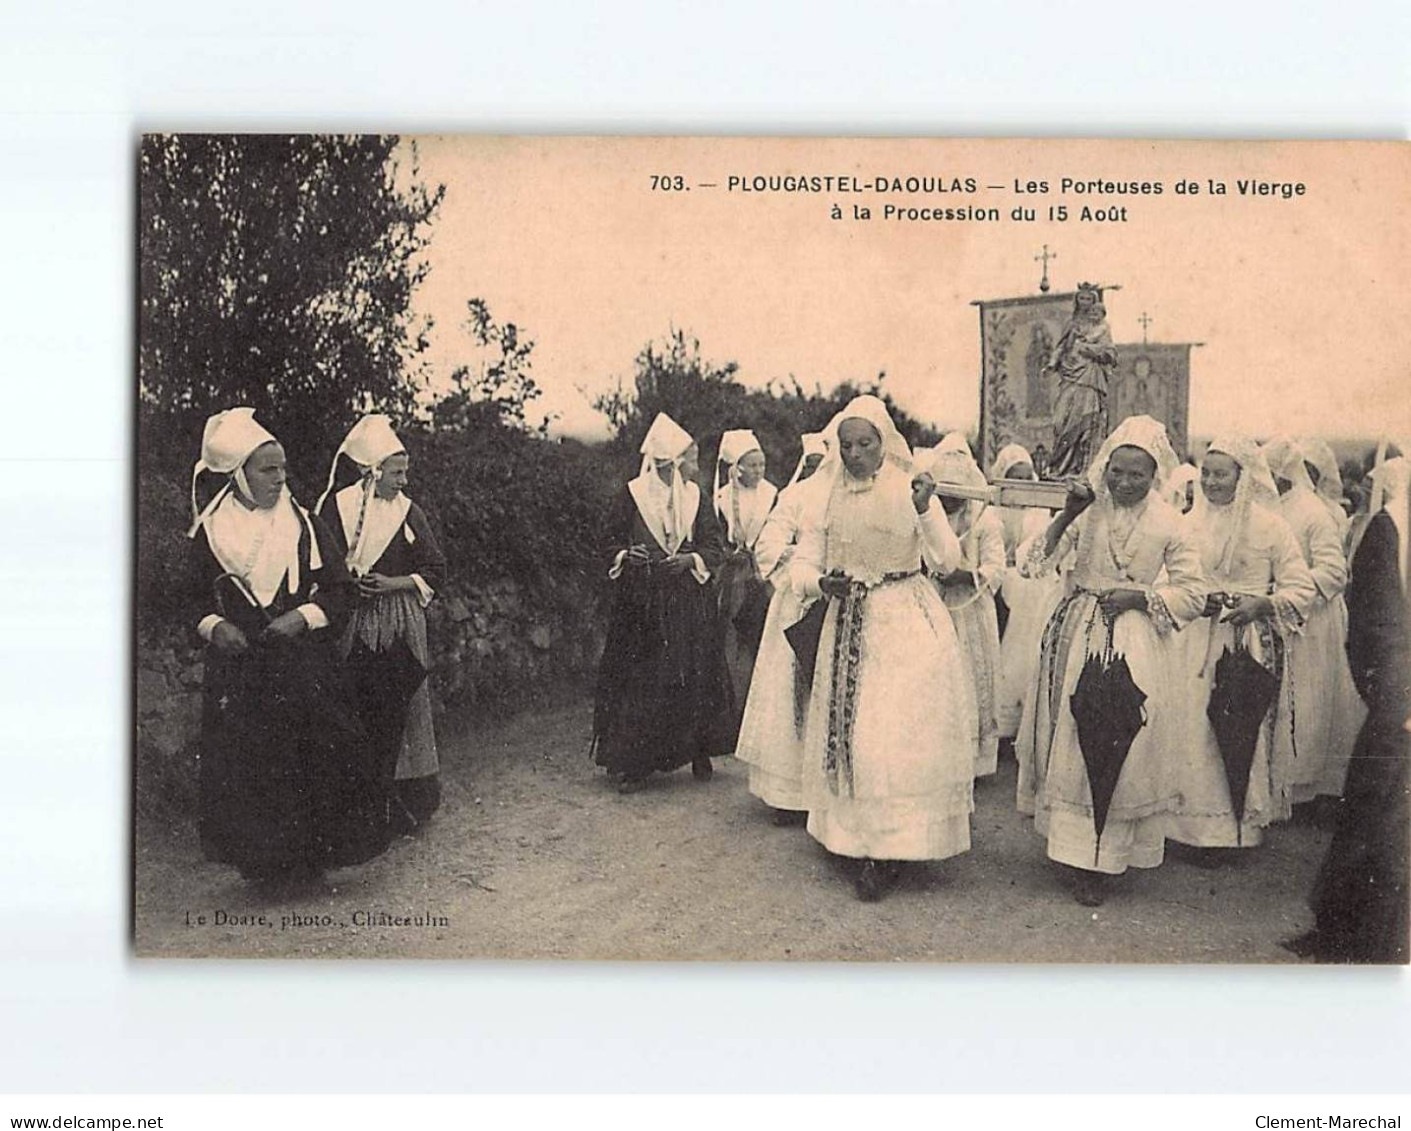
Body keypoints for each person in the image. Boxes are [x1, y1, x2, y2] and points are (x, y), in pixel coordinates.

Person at [186, 408, 388, 886]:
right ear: (238, 474)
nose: (280, 478)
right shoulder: (211, 533)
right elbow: (188, 599)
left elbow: (339, 590)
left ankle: (310, 862)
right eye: (267, 469)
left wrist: (302, 618)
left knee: (312, 756)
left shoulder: (304, 524)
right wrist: (215, 626)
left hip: (301, 665)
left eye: (282, 468)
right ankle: (266, 868)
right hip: (242, 670)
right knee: (253, 766)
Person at [790, 396, 978, 902]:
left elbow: (946, 559)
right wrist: (817, 584)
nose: (855, 454)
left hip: (904, 620)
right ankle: (855, 838)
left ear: (883, 443)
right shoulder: (824, 496)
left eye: (865, 444)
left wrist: (926, 510)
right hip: (848, 619)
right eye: (846, 445)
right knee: (855, 731)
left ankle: (893, 845)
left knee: (893, 734)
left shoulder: (910, 488)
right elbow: (801, 561)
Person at [1015, 415, 1205, 906]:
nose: (1124, 482)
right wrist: (1066, 515)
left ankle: (1108, 854)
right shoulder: (1087, 508)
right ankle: (1075, 851)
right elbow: (1030, 563)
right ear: (1106, 467)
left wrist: (1143, 598)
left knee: (1123, 735)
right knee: (1074, 735)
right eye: (1117, 471)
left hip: (1136, 637)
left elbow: (1193, 591)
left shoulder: (1169, 521)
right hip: (1077, 629)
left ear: (1154, 473)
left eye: (1136, 474)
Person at [1285, 452, 1410, 963]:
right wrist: (1398, 700)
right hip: (1404, 710)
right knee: (1382, 828)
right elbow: (1377, 624)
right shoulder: (1394, 528)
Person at [1168, 437, 1315, 858]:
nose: (1212, 482)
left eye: (1222, 474)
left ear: (1242, 476)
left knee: (1235, 726)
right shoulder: (1186, 522)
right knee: (1191, 726)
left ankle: (1231, 832)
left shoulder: (1270, 525)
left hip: (1246, 640)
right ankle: (1184, 828)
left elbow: (1300, 586)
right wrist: (1192, 598)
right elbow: (1166, 576)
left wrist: (1263, 604)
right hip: (1193, 638)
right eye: (1207, 473)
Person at [316, 414, 447, 834]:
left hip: (398, 620)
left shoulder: (409, 513)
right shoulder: (337, 508)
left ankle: (408, 803)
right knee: (353, 703)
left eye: (405, 472)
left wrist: (393, 583)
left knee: (404, 706)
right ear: (372, 471)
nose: (403, 481)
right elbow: (325, 561)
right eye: (396, 472)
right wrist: (350, 585)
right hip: (351, 619)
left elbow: (435, 567)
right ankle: (358, 803)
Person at [592, 413, 729, 792]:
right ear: (660, 462)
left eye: (684, 462)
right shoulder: (632, 494)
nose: (681, 471)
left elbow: (713, 544)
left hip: (686, 599)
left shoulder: (695, 497)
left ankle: (697, 749)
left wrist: (690, 560)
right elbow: (608, 541)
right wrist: (626, 555)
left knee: (692, 672)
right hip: (643, 602)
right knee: (643, 678)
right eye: (671, 464)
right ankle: (636, 762)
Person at [1261, 437, 1364, 807]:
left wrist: (1288, 587)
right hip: (1276, 615)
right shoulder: (1270, 506)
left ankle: (1303, 788)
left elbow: (1334, 573)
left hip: (1312, 623)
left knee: (1306, 703)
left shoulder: (1312, 512)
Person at [735, 433, 828, 825]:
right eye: (810, 463)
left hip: (836, 599)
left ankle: (825, 794)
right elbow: (768, 543)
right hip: (795, 601)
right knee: (790, 694)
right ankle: (788, 794)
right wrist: (796, 568)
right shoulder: (795, 497)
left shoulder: (850, 498)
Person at [921, 443, 1006, 778]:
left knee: (972, 675)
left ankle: (972, 761)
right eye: (944, 495)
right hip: (936, 604)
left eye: (956, 496)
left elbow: (996, 567)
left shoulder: (986, 520)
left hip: (971, 610)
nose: (949, 503)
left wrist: (966, 577)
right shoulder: (931, 516)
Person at [991, 443, 1066, 748]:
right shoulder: (996, 509)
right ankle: (1005, 720)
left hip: (1034, 583)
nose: (1022, 483)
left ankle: (1028, 720)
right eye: (1015, 477)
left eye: (1027, 477)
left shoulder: (1038, 511)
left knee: (1032, 639)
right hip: (1006, 576)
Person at [713, 428, 778, 745]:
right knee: (729, 644)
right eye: (751, 465)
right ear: (736, 467)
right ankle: (730, 718)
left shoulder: (771, 495)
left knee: (761, 642)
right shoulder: (722, 498)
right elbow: (716, 536)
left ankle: (761, 719)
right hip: (731, 576)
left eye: (761, 465)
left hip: (761, 576)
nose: (757, 471)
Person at [1044, 283, 1119, 480]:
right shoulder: (1072, 324)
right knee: (1061, 421)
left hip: (1089, 378)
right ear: (1076, 301)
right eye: (1081, 299)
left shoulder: (1103, 328)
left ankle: (1079, 468)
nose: (1085, 303)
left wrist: (1092, 351)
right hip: (1069, 375)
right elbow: (1061, 347)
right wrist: (1052, 364)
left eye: (1089, 299)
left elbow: (1111, 353)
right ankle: (1059, 467)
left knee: (1085, 423)